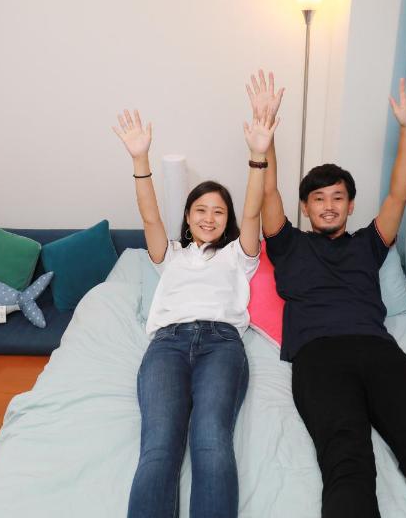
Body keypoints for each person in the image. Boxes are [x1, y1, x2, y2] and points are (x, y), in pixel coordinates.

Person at [249, 70, 406, 518]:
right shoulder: (287, 243)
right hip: (318, 356)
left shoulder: (368, 244)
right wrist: (266, 132)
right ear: (306, 208)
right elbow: (269, 191)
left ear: (351, 205)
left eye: (338, 198)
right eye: (319, 199)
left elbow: (398, 196)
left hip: (379, 351)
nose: (329, 206)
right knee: (347, 461)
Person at [112, 103, 279, 518]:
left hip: (221, 345)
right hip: (167, 345)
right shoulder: (170, 254)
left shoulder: (239, 255)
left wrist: (257, 155)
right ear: (187, 217)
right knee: (159, 446)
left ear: (227, 221)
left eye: (219, 211)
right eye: (201, 210)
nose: (209, 217)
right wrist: (140, 159)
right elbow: (150, 216)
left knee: (210, 439)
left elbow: (253, 210)